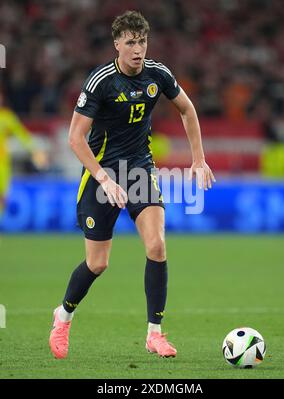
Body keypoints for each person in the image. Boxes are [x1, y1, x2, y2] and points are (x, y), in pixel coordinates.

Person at [49, 10, 215, 359]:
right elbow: (75, 138)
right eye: (130, 43)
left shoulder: (158, 74)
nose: (137, 49)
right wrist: (103, 177)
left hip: (139, 171)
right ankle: (63, 317)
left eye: (142, 41)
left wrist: (198, 159)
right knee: (98, 264)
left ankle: (154, 334)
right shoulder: (101, 82)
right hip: (101, 175)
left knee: (156, 246)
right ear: (117, 45)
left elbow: (187, 110)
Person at [0, 88, 45, 216]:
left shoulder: (7, 116)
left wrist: (35, 150)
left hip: (2, 162)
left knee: (3, 196)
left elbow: (22, 135)